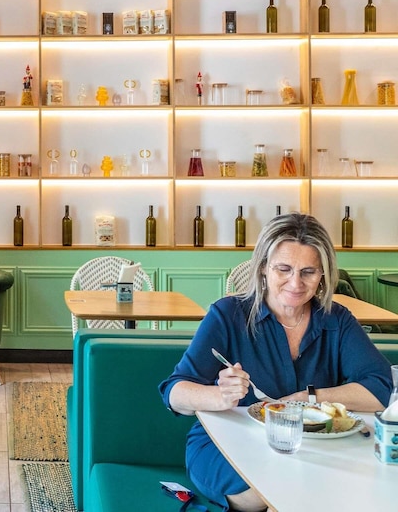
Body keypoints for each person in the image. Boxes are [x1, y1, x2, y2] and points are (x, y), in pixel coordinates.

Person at [160, 213, 392, 512]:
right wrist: (220, 396)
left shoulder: (337, 320)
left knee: (309, 483)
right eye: (284, 269)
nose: (296, 283)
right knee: (284, 487)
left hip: (314, 450)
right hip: (228, 445)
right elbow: (174, 393)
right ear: (263, 267)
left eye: (308, 271)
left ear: (323, 274)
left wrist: (306, 399)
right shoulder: (228, 315)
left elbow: (380, 388)